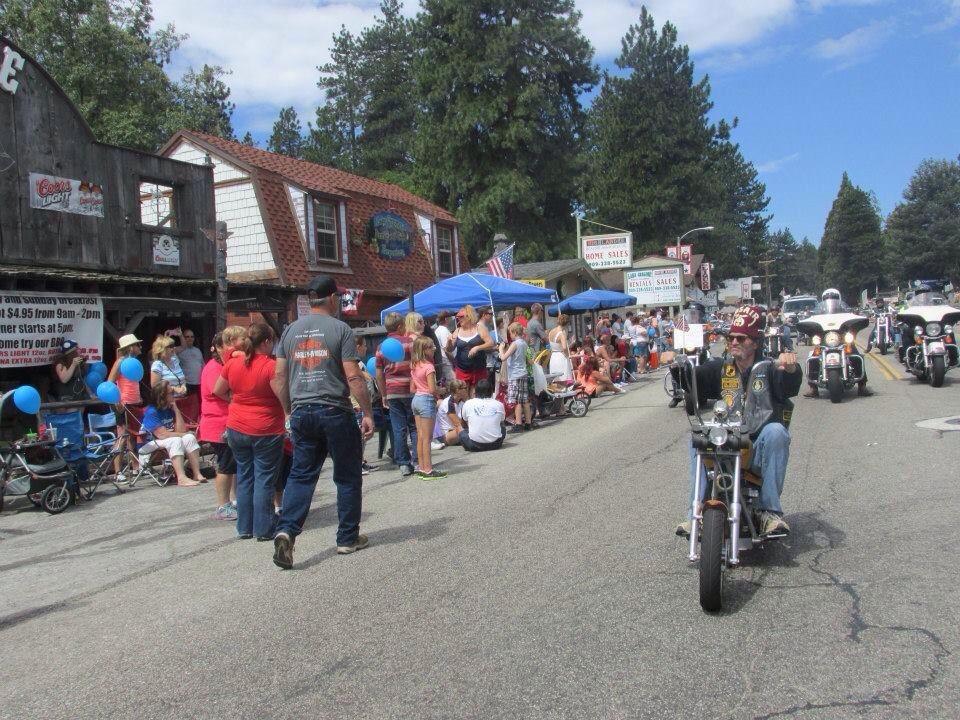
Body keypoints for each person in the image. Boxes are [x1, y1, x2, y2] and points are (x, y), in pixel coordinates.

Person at [668, 305, 802, 537]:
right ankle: (695, 515)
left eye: (742, 338)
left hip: (758, 447)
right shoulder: (722, 368)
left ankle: (769, 513)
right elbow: (693, 382)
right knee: (697, 437)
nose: (734, 342)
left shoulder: (770, 367)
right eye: (731, 338)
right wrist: (677, 367)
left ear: (756, 342)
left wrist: (791, 368)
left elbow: (789, 386)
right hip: (728, 442)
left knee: (777, 431)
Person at [272, 275, 374, 569]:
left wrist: (289, 411)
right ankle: (346, 538)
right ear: (332, 299)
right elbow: (353, 376)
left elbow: (278, 377)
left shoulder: (289, 331)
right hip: (334, 409)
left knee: (301, 475)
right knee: (347, 475)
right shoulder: (340, 329)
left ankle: (286, 530)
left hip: (302, 411)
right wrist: (367, 412)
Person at [215, 323, 285, 541]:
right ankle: (263, 528)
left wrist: (235, 401)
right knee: (264, 478)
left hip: (236, 425)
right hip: (265, 427)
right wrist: (289, 412)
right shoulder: (269, 366)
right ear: (266, 342)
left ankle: (244, 527)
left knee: (245, 477)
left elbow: (217, 390)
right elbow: (281, 395)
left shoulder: (233, 363)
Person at [199, 329, 242, 521]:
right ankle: (222, 505)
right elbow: (218, 391)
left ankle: (237, 500)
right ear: (219, 347)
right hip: (218, 424)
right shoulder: (213, 367)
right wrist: (236, 399)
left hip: (227, 422)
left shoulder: (223, 365)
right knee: (226, 466)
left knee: (234, 465)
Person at [139, 380, 205, 487]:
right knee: (177, 440)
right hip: (150, 443)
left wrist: (176, 409)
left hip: (166, 440)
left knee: (189, 437)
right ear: (162, 396)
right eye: (171, 393)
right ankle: (181, 478)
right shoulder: (152, 411)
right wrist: (182, 435)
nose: (173, 396)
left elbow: (182, 430)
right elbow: (162, 435)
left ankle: (197, 473)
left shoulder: (168, 408)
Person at [376, 312, 418, 477]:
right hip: (411, 388)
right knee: (414, 426)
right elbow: (417, 363)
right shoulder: (410, 342)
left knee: (398, 428)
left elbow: (379, 374)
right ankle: (418, 459)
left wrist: (383, 394)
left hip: (392, 392)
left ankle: (403, 464)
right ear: (400, 326)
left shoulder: (381, 347)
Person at [410, 334, 446, 479]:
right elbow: (432, 389)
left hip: (416, 399)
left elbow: (412, 388)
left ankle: (420, 466)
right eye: (431, 347)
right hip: (426, 400)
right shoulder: (429, 366)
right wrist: (441, 390)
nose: (434, 349)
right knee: (427, 438)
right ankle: (428, 469)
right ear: (425, 350)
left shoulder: (414, 365)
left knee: (420, 436)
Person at [107, 333, 144, 476]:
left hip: (134, 402)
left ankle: (135, 467)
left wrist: (139, 396)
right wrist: (117, 401)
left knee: (133, 437)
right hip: (123, 403)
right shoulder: (120, 362)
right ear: (130, 348)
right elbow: (110, 383)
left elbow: (133, 381)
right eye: (137, 345)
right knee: (122, 437)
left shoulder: (133, 363)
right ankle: (118, 471)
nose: (140, 347)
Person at [450, 305, 494, 396]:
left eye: (461, 317)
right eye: (458, 317)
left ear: (469, 316)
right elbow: (450, 349)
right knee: (462, 394)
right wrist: (448, 342)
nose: (459, 319)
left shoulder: (479, 328)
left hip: (478, 369)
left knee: (477, 394)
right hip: (462, 369)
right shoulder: (457, 331)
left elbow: (491, 343)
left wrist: (477, 348)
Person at [499, 322, 533, 432]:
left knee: (517, 401)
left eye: (510, 333)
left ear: (514, 332)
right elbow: (527, 360)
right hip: (523, 373)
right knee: (525, 399)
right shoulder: (524, 343)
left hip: (515, 374)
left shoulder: (514, 344)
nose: (510, 335)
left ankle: (518, 424)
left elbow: (503, 357)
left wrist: (500, 349)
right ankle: (528, 423)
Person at [459, 379, 506, 452]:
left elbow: (464, 422)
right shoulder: (499, 404)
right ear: (491, 391)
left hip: (474, 445)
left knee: (461, 431)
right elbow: (502, 420)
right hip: (496, 444)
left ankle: (478, 436)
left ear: (475, 391)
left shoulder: (468, 403)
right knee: (502, 426)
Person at [173, 327, 204, 421]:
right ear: (183, 338)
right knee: (188, 407)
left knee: (199, 406)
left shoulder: (197, 350)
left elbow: (202, 364)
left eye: (192, 336)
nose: (190, 338)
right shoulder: (178, 351)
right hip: (187, 384)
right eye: (187, 337)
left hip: (199, 384)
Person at [435, 379, 469, 446]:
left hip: (456, 430)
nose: (467, 389)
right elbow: (458, 424)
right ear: (457, 390)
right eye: (465, 388)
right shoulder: (449, 403)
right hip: (446, 435)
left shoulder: (461, 401)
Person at [432, 311, 456, 384]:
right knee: (452, 382)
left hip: (444, 361)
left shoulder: (438, 330)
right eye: (450, 318)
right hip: (447, 361)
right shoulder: (443, 331)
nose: (451, 319)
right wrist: (454, 361)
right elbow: (446, 349)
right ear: (446, 319)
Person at [548, 314, 573, 381]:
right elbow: (564, 347)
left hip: (553, 356)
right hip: (561, 356)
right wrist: (567, 355)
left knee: (555, 378)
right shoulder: (561, 334)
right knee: (564, 377)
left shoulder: (551, 332)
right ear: (567, 324)